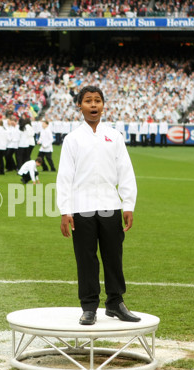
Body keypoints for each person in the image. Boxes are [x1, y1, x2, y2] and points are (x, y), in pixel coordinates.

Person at [56, 86, 139, 326]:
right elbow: (65, 177)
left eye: (98, 101)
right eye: (88, 101)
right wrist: (65, 210)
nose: (93, 105)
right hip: (81, 207)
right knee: (86, 258)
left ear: (104, 105)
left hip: (110, 205)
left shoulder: (114, 136)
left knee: (113, 256)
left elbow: (125, 172)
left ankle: (115, 302)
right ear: (79, 106)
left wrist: (128, 204)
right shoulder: (72, 139)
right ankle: (89, 307)